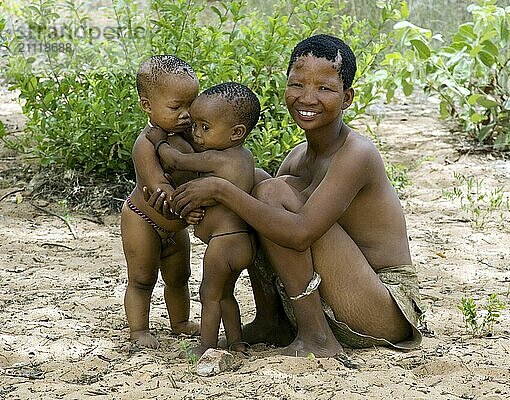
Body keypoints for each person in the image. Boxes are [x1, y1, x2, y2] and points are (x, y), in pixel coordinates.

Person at [148, 34, 423, 357]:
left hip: (383, 307)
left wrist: (221, 188)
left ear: (347, 98)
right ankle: (272, 320)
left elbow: (300, 233)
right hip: (342, 298)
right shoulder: (296, 157)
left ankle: (317, 337)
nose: (307, 97)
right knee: (259, 184)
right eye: (297, 85)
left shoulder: (357, 154)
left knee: (267, 190)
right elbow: (267, 231)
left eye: (324, 88)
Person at [145, 82, 261, 356]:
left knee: (209, 295)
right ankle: (237, 342)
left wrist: (158, 140)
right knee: (226, 295)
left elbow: (175, 161)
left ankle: (206, 345)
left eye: (204, 127)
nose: (196, 133)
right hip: (243, 242)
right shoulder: (244, 158)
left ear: (236, 133)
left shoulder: (217, 159)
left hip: (222, 244)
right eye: (194, 125)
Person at [121, 54, 203, 349]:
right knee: (142, 278)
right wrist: (190, 205)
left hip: (175, 227)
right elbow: (158, 188)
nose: (186, 114)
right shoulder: (145, 145)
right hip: (143, 220)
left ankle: (179, 322)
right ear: (147, 106)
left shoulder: (191, 137)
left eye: (191, 105)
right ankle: (139, 329)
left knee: (180, 277)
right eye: (175, 107)